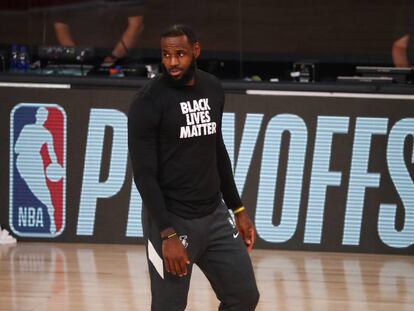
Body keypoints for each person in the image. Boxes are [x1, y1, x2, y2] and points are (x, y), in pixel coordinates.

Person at [128, 24, 260, 310]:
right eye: (166, 54)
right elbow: (144, 176)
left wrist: (237, 208)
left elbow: (217, 150)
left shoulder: (212, 87)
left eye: (180, 54)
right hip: (172, 221)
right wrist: (167, 234)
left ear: (195, 51)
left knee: (244, 297)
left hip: (214, 215)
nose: (172, 62)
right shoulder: (148, 102)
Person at [53, 0, 144, 64]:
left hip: (121, 62)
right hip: (77, 64)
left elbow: (136, 25)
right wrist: (76, 56)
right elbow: (60, 26)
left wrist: (113, 57)